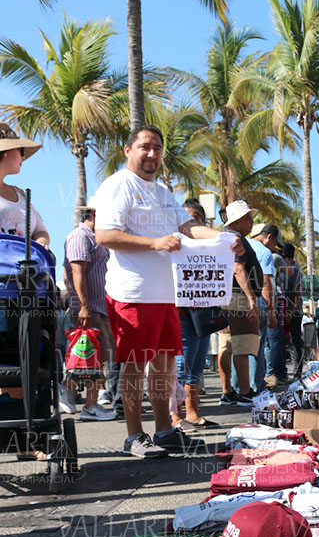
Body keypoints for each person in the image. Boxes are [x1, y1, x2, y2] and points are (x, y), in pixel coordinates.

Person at [94, 125, 243, 458]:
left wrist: (224, 239)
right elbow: (104, 235)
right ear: (128, 150)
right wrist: (154, 243)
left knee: (163, 367)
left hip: (167, 295)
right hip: (133, 293)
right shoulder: (117, 185)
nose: (152, 154)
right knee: (135, 365)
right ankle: (134, 436)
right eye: (145, 147)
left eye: (158, 148)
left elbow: (188, 227)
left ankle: (164, 432)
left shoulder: (162, 192)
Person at [62, 199, 118, 422]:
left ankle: (86, 401)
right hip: (89, 309)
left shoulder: (98, 237)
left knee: (96, 359)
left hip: (99, 307)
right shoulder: (80, 236)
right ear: (93, 214)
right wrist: (83, 306)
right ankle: (84, 401)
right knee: (89, 358)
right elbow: (77, 272)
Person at [173, 199, 217, 429]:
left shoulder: (210, 249)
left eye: (195, 220)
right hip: (181, 313)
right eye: (186, 220)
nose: (189, 225)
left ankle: (192, 413)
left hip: (203, 313)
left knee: (198, 365)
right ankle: (175, 416)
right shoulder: (174, 247)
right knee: (181, 365)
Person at [217, 200, 261, 405]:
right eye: (248, 218)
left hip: (225, 296)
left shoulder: (224, 238)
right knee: (242, 345)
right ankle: (244, 391)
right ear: (239, 220)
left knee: (226, 346)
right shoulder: (237, 240)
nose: (252, 222)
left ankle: (228, 391)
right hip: (238, 297)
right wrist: (251, 298)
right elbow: (238, 268)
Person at [0, 123, 49, 246]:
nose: (23, 157)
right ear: (5, 152)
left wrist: (39, 245)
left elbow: (40, 231)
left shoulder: (20, 194)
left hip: (22, 258)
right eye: (21, 150)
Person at [247, 222, 282, 391]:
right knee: (257, 348)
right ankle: (256, 387)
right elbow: (266, 283)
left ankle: (239, 388)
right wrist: (272, 313)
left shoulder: (241, 244)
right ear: (269, 237)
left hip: (238, 303)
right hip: (259, 303)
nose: (275, 247)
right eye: (275, 243)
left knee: (240, 348)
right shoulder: (264, 252)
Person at [282, 243, 305, 379]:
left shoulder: (293, 270)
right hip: (290, 310)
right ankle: (293, 371)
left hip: (293, 311)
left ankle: (297, 372)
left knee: (294, 342)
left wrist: (290, 311)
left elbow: (297, 293)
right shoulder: (287, 269)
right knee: (290, 341)